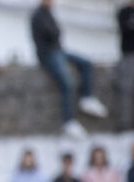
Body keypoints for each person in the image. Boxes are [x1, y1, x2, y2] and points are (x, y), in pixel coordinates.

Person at [30, 0, 107, 138]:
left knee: (86, 63)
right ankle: (68, 121)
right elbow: (52, 33)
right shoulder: (38, 15)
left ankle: (86, 97)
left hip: (58, 51)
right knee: (67, 82)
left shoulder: (49, 14)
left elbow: (56, 33)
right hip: (48, 54)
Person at [117, 0, 134, 133]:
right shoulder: (124, 12)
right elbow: (125, 30)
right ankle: (125, 123)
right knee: (126, 88)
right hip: (129, 55)